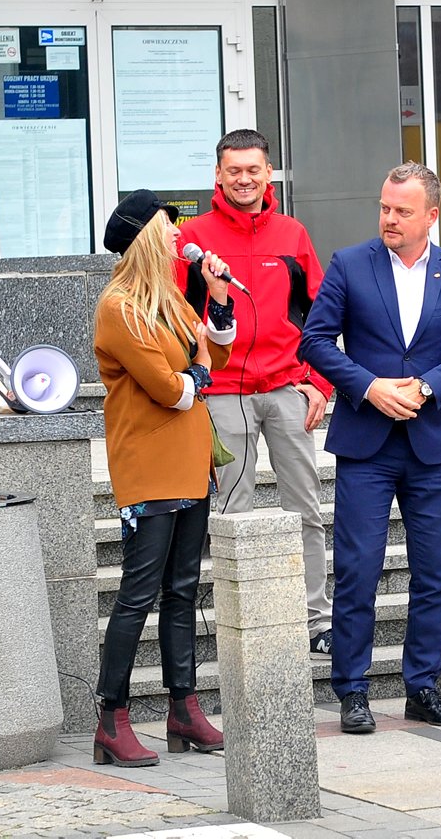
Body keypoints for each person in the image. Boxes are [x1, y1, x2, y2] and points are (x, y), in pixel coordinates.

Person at [299, 162, 441, 733]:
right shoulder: (349, 264)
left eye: (402, 211)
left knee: (434, 573)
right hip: (366, 444)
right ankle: (352, 690)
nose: (389, 218)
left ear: (430, 215)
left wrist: (429, 385)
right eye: (385, 207)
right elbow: (314, 340)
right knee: (358, 570)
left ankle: (423, 686)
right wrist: (368, 386)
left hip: (430, 444)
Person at [178, 129, 334, 659]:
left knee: (305, 509)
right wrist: (195, 380)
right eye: (234, 171)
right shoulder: (193, 238)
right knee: (231, 512)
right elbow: (174, 314)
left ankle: (315, 621)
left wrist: (318, 382)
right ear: (218, 175)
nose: (244, 179)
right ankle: (239, 626)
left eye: (253, 170)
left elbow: (321, 315)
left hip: (287, 387)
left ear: (269, 173)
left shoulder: (292, 234)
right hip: (222, 393)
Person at [93, 189, 235, 766]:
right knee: (137, 595)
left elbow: (215, 358)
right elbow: (172, 390)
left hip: (191, 462)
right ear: (146, 236)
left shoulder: (169, 297)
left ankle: (184, 709)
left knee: (182, 590)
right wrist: (197, 369)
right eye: (168, 224)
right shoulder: (120, 307)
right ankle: (112, 718)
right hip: (149, 467)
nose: (179, 232)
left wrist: (217, 301)